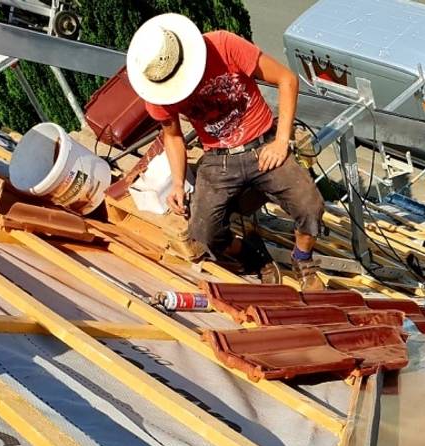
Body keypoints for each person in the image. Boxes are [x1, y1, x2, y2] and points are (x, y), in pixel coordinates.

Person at [126, 13, 326, 290]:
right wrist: (176, 184)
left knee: (310, 205)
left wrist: (280, 141)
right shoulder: (158, 93)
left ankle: (303, 260)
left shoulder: (222, 45)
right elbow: (172, 137)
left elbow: (287, 79)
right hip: (218, 159)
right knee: (202, 234)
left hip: (262, 144)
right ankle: (252, 256)